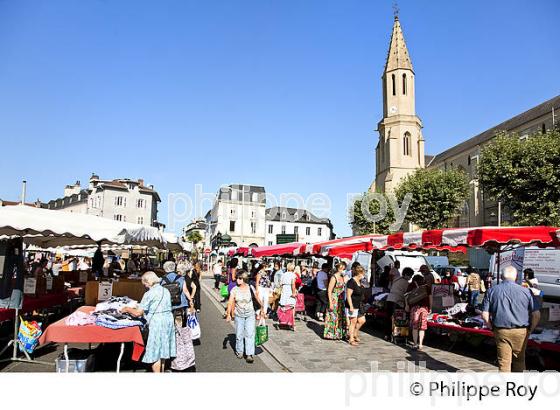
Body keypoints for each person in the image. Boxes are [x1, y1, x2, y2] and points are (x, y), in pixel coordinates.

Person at [481, 266, 541, 372]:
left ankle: (506, 386)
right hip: (521, 331)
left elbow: (484, 315)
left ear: (501, 276)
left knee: (504, 362)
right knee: (520, 360)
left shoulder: (491, 291)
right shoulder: (527, 292)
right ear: (516, 277)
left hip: (501, 330)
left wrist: (491, 327)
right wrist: (530, 329)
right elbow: (536, 314)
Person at [121, 271, 176, 373]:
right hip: (168, 321)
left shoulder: (149, 293)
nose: (145, 286)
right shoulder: (166, 290)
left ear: (149, 282)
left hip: (157, 323)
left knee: (155, 353)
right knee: (163, 351)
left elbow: (138, 313)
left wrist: (127, 309)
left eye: (145, 283)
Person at [225, 271, 259, 363]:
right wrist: (228, 314)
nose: (237, 280)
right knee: (239, 334)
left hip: (250, 314)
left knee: (250, 334)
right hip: (239, 315)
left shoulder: (250, 287)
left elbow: (257, 298)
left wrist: (262, 310)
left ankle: (249, 354)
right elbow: (230, 302)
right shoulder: (234, 290)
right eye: (237, 278)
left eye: (240, 278)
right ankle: (239, 351)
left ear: (244, 279)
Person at [385, 267, 414, 340]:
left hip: (389, 299)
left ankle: (387, 335)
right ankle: (396, 334)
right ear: (407, 275)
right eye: (410, 276)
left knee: (389, 318)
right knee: (397, 319)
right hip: (397, 301)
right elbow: (406, 295)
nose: (411, 277)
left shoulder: (397, 279)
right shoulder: (406, 283)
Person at [405, 270, 432, 351]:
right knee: (422, 327)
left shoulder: (411, 285)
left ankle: (415, 343)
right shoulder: (427, 287)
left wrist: (407, 305)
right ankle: (420, 344)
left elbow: (406, 296)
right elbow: (430, 298)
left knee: (415, 326)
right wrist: (430, 307)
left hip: (414, 308)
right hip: (424, 308)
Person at [163, 261, 194, 325]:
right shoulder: (180, 278)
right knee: (179, 323)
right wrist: (191, 300)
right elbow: (185, 290)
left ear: (165, 269)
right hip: (180, 304)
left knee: (169, 323)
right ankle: (180, 332)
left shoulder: (162, 280)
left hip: (167, 304)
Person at [323, 262, 348, 340]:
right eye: (342, 268)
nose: (343, 270)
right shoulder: (334, 277)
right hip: (334, 298)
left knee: (339, 316)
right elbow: (329, 290)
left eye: (344, 268)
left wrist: (345, 281)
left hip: (340, 298)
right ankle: (330, 333)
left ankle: (338, 333)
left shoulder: (343, 276)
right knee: (332, 316)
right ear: (338, 268)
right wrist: (330, 302)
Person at [346, 266, 366, 346]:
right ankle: (351, 339)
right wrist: (350, 306)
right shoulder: (351, 282)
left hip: (359, 304)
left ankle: (354, 333)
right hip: (352, 304)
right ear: (359, 273)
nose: (363, 275)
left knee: (362, 320)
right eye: (363, 273)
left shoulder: (359, 281)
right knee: (353, 322)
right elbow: (348, 295)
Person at [279, 262, 298, 329]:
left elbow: (280, 284)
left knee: (283, 306)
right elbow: (293, 284)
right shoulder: (293, 275)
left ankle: (282, 320)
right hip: (289, 290)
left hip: (284, 290)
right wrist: (293, 293)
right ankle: (292, 323)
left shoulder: (283, 274)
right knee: (291, 306)